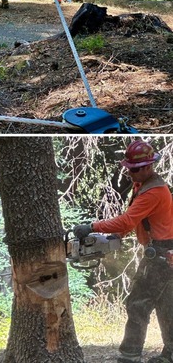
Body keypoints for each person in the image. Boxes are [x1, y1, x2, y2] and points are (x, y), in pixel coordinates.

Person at [73, 140, 173, 363]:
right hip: (162, 252)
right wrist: (117, 236)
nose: (130, 173)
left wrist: (92, 227)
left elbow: (127, 219)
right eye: (128, 168)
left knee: (137, 304)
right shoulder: (143, 185)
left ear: (148, 167)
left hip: (161, 254)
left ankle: (129, 356)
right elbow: (134, 221)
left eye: (134, 169)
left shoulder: (153, 192)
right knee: (167, 305)